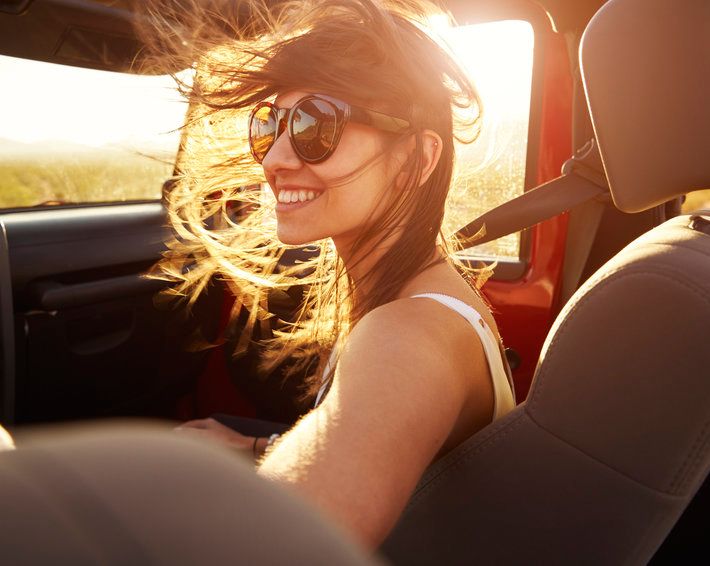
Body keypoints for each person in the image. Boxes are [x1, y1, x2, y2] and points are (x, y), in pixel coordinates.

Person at [142, 0, 515, 549]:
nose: (274, 160)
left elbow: (284, 547)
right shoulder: (410, 297)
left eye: (317, 124)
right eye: (269, 126)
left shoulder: (408, 335)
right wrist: (256, 450)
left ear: (417, 159)